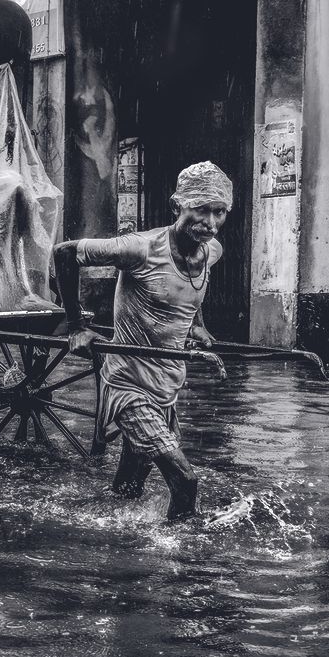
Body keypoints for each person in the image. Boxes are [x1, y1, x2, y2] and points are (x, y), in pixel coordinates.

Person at [52, 161, 232, 521]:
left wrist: (197, 324)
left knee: (129, 489)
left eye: (219, 212)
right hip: (129, 386)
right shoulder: (141, 248)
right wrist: (75, 326)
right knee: (186, 479)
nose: (210, 224)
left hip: (167, 389)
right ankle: (185, 558)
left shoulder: (211, 251)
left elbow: (194, 290)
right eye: (201, 210)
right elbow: (65, 252)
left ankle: (102, 534)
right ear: (177, 205)